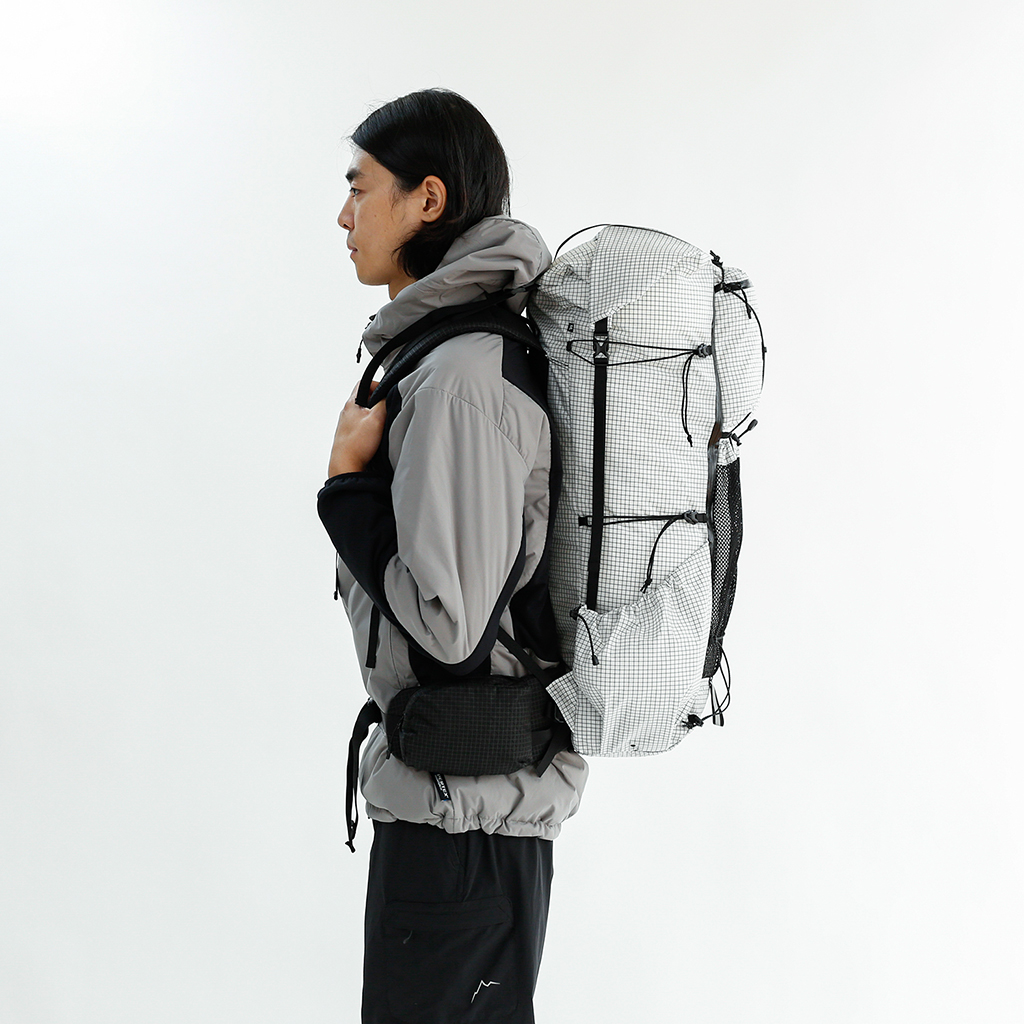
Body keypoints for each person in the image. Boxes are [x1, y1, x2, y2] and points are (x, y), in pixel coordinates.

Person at [317, 89, 588, 1024]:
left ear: (427, 200)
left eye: (361, 189)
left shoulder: (462, 378)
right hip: (457, 812)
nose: (344, 216)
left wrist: (347, 488)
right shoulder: (445, 360)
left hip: (464, 833)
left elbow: (448, 629)